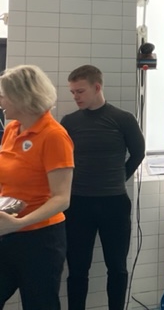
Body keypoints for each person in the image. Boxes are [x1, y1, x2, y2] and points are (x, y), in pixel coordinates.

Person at [60, 65, 145, 310]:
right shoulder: (69, 122)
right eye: (72, 92)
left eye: (80, 91)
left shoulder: (123, 119)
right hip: (78, 204)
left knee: (117, 268)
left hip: (114, 203)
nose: (75, 97)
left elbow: (138, 153)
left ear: (97, 87)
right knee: (77, 269)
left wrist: (118, 178)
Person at [0, 64, 74, 310]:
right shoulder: (11, 129)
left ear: (22, 97)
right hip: (8, 234)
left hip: (41, 240)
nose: (1, 101)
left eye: (4, 95)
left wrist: (20, 223)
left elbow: (62, 198)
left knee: (40, 304)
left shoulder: (54, 136)